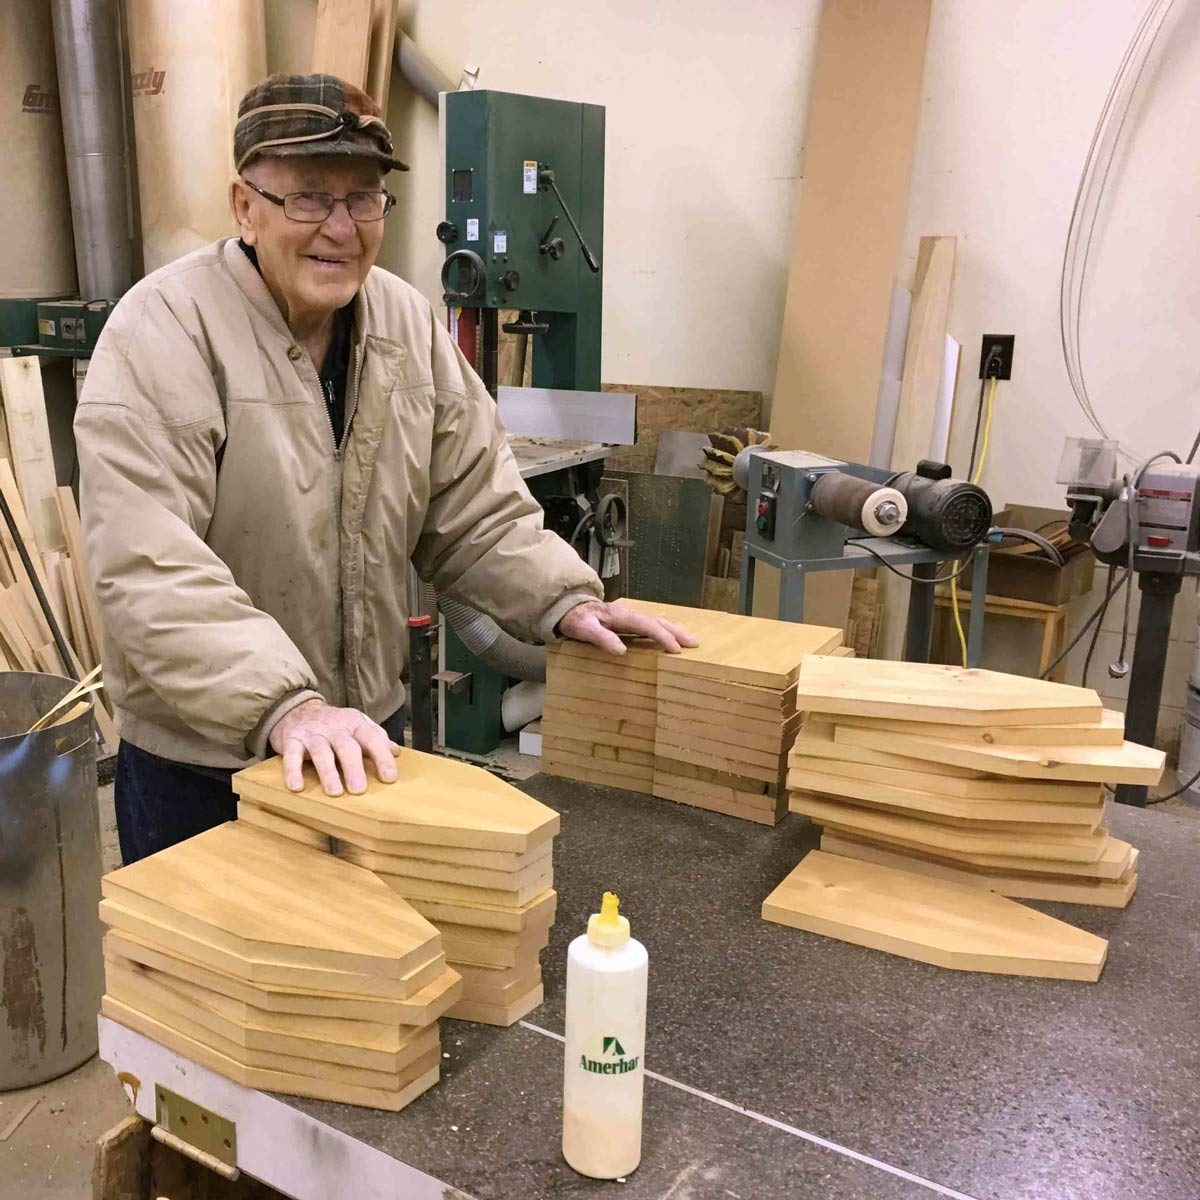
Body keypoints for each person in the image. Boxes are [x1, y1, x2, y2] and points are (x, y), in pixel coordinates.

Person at [76, 74, 695, 864]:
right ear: (244, 205)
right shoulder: (162, 332)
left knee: (372, 978)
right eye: (307, 197)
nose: (340, 227)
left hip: (364, 740)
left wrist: (566, 601)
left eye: (362, 199)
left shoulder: (406, 322)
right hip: (211, 764)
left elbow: (474, 509)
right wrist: (284, 705)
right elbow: (146, 565)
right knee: (223, 985)